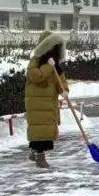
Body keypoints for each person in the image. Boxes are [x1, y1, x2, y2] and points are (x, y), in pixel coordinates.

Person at [25, 31, 68, 169]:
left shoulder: (55, 65)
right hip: (36, 102)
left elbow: (60, 81)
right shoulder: (35, 61)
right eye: (49, 46)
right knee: (40, 130)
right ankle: (40, 157)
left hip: (49, 103)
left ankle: (34, 152)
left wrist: (64, 90)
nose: (52, 50)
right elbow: (36, 76)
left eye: (55, 47)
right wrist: (48, 66)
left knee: (46, 131)